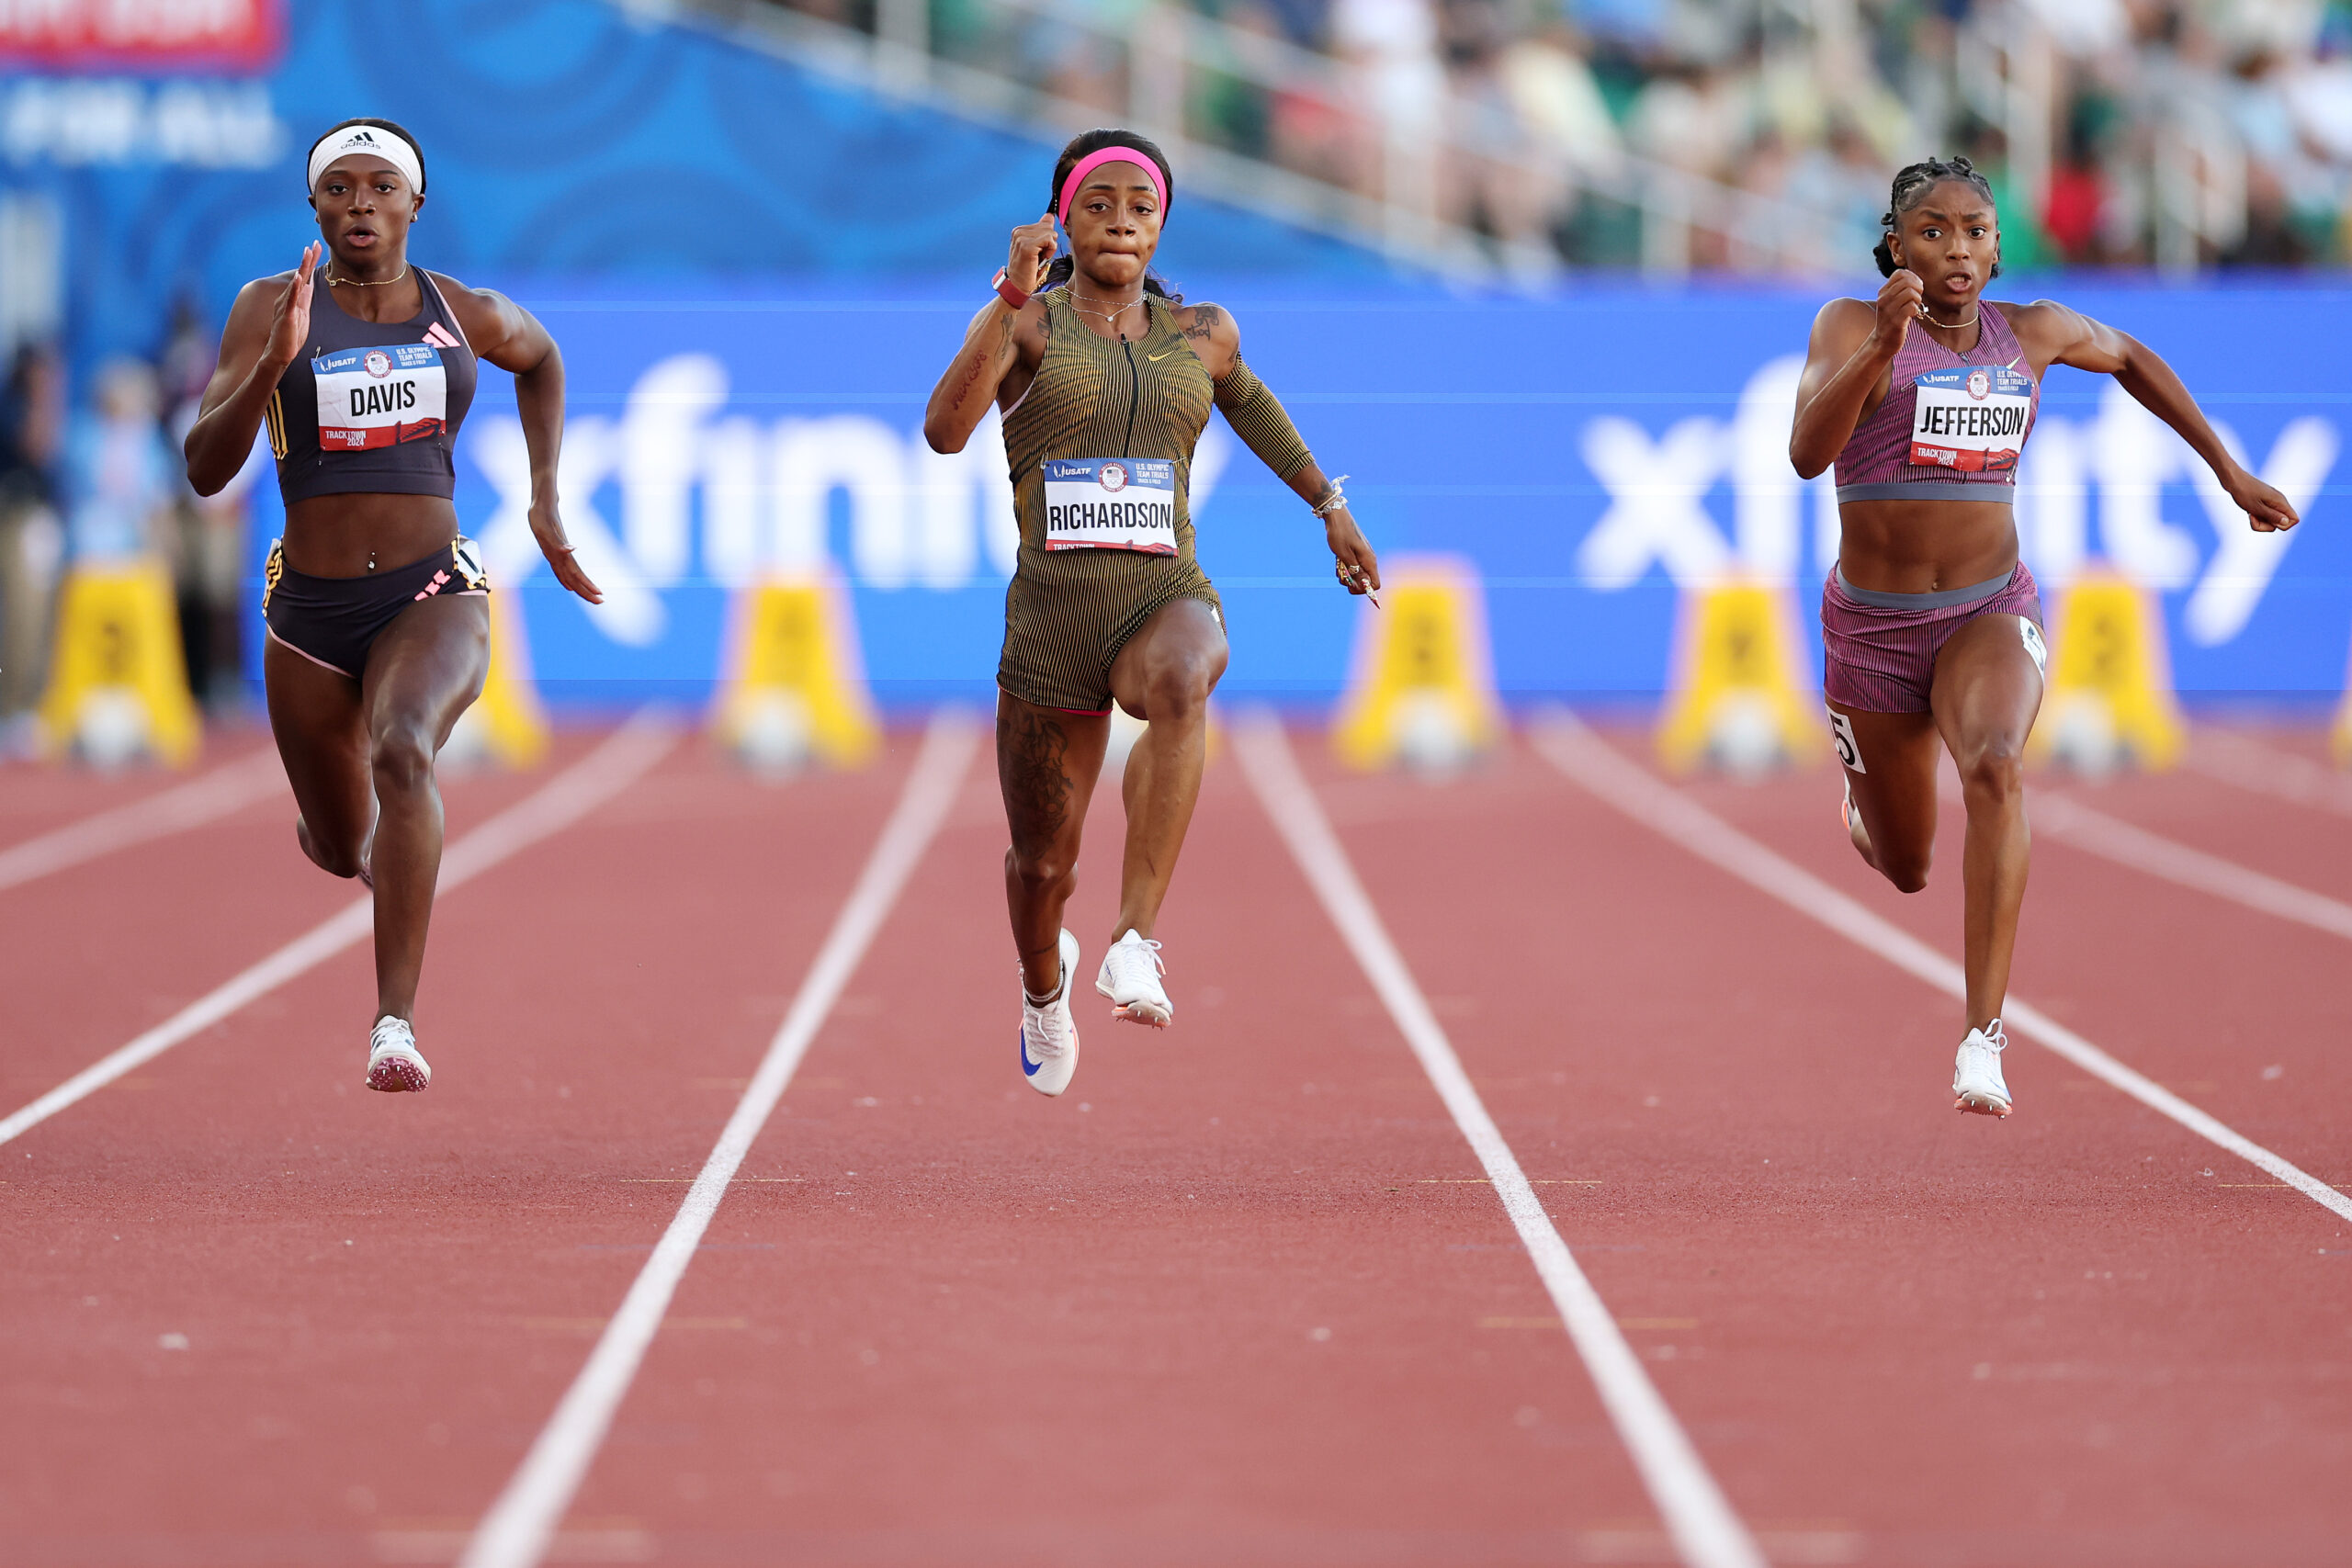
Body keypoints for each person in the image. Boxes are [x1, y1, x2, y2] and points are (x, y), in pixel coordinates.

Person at [1789, 154, 2299, 1119]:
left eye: (1975, 231)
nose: (1956, 248)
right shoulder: (1850, 324)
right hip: (1873, 629)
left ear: (1997, 246)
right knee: (1908, 866)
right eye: (1932, 231)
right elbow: (1807, 456)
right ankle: (1865, 813)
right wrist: (1877, 351)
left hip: (1988, 607)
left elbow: (2135, 358)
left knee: (1994, 766)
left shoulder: (2031, 333)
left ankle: (1981, 1037)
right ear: (1894, 244)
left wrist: (2228, 473)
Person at [922, 128, 1381, 1098]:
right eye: (1099, 206)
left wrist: (1328, 507)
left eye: (1142, 208)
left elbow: (1251, 404)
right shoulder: (1026, 325)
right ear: (1063, 219)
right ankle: (1042, 991)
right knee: (1040, 869)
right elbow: (943, 431)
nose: (1121, 223)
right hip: (1051, 622)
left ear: (1162, 224)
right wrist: (1007, 297)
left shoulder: (1202, 332)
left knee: (1186, 672)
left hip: (1159, 591)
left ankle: (1135, 940)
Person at [184, 118, 599, 1093]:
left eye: (380, 188)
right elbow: (205, 470)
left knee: (405, 748)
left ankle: (393, 1024)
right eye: (339, 188)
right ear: (316, 207)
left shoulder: (463, 312)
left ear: (415, 204)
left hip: (431, 591)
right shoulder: (265, 307)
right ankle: (341, 835)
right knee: (338, 848)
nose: (359, 204)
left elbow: (542, 359)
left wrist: (543, 498)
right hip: (310, 617)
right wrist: (267, 367)